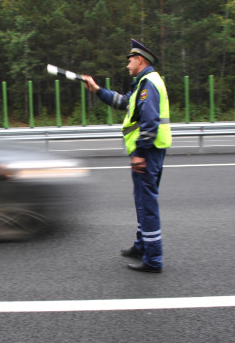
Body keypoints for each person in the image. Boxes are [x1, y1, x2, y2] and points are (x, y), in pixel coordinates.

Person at [82, 39, 172, 273]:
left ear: (140, 60)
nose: (127, 64)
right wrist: (97, 90)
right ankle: (142, 246)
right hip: (148, 151)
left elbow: (150, 121)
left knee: (147, 204)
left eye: (130, 59)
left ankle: (153, 259)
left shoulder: (149, 84)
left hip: (147, 152)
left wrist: (140, 153)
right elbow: (123, 102)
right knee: (142, 202)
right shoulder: (142, 83)